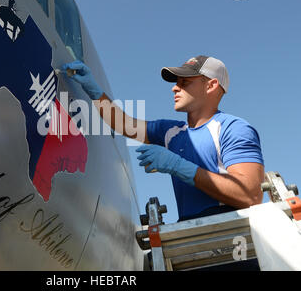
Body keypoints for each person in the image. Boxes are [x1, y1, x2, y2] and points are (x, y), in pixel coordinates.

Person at [62, 55, 264, 222]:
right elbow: (123, 124)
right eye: (176, 83)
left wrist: (177, 165)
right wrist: (94, 91)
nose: (174, 88)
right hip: (192, 235)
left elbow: (250, 195)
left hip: (235, 235)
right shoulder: (171, 131)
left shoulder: (233, 128)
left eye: (185, 82)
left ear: (211, 86)